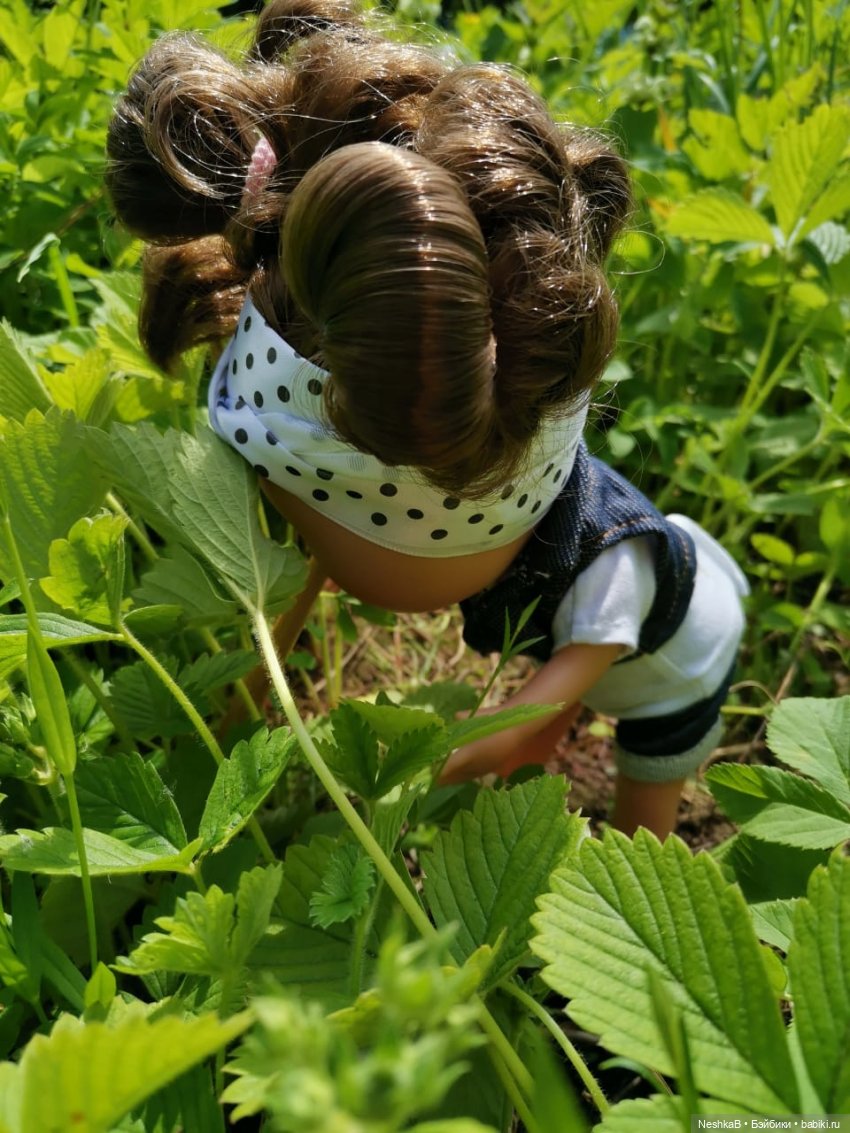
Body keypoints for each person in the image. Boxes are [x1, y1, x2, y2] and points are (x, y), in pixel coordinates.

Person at [106, 0, 748, 839]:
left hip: (685, 662)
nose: (286, 533)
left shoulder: (615, 576)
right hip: (563, 628)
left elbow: (506, 725)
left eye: (319, 512)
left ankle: (639, 874)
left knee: (644, 800)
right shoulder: (519, 499)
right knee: (547, 719)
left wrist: (403, 776)